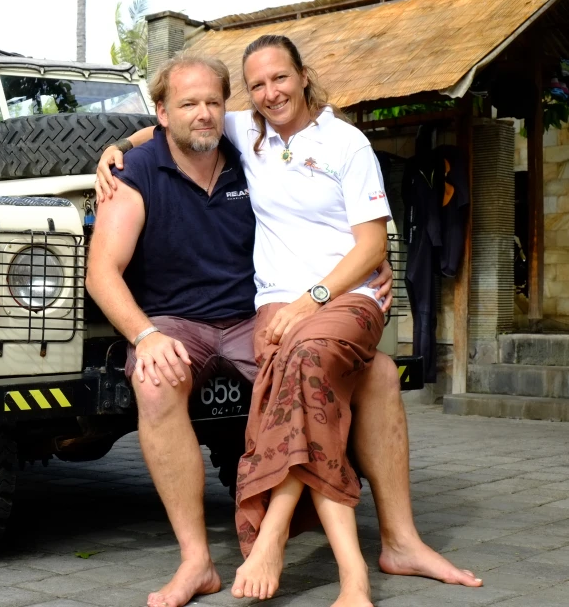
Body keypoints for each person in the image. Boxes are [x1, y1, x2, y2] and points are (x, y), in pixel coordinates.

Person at [95, 38, 483, 603]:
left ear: (302, 77)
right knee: (154, 382)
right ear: (164, 113)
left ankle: (395, 538)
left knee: (372, 374)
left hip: (267, 315)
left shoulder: (290, 140)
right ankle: (197, 561)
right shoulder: (174, 157)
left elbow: (363, 235)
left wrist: (358, 272)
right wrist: (112, 148)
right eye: (258, 85)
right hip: (192, 321)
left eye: (213, 102)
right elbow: (103, 268)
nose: (204, 112)